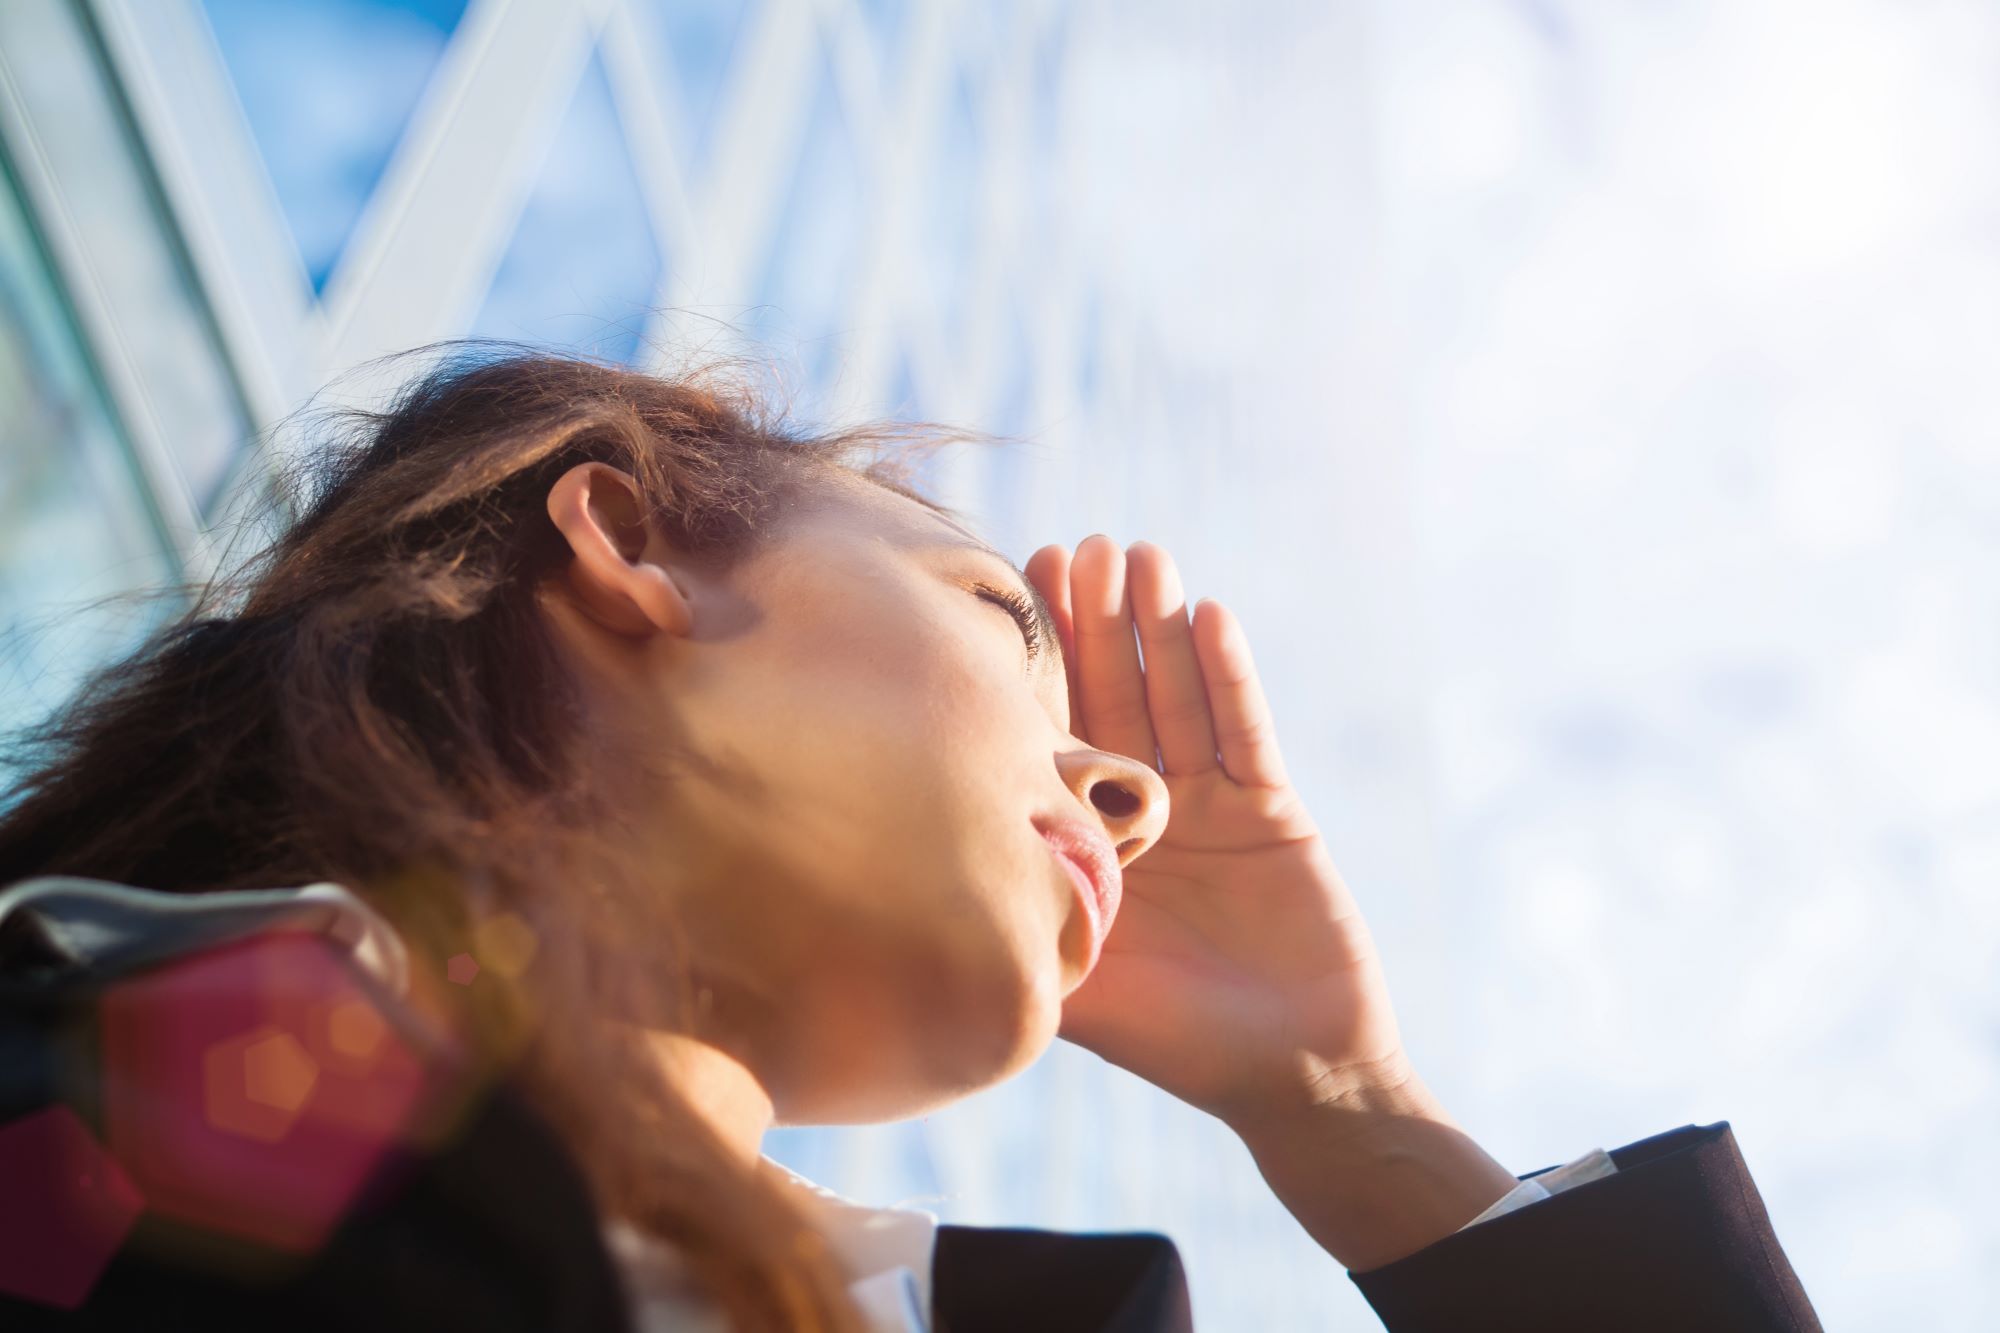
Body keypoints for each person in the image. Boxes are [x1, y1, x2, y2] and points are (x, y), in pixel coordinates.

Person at [0, 347, 1821, 1331]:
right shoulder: (87, 1100)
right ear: (628, 553)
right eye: (997, 617)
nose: (1138, 789)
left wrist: (1349, 1111)